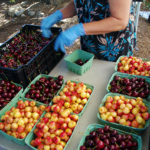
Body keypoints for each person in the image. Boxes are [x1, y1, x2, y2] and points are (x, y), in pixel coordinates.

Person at [41, 0, 136, 62]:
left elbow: (120, 21)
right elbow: (80, 3)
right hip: (90, 40)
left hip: (114, 46)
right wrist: (58, 15)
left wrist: (78, 30)